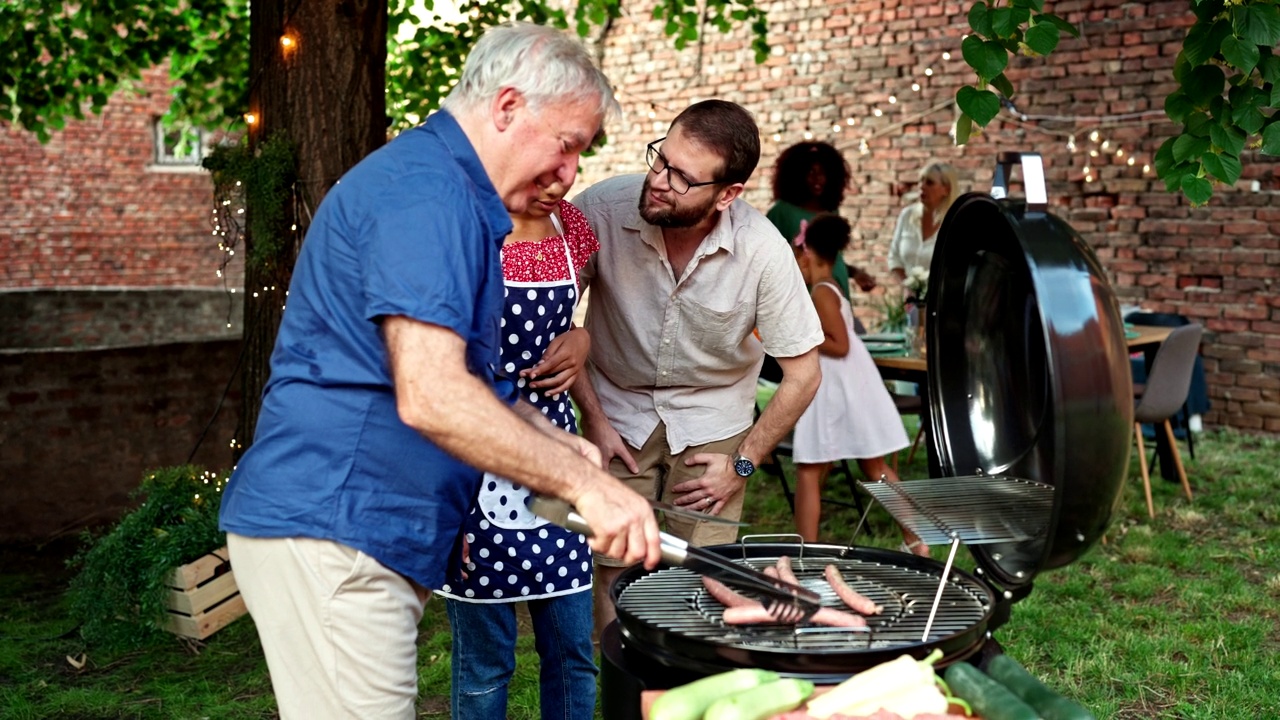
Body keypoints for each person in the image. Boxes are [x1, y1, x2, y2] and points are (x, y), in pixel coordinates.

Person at [217, 23, 662, 720]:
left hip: (362, 530)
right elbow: (432, 394)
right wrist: (580, 483)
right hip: (337, 525)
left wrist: (549, 443)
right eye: (568, 143)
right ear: (509, 107)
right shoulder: (429, 195)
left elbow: (452, 377)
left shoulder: (454, 194)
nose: (573, 172)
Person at [570, 100, 824, 637]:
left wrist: (743, 464)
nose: (660, 181)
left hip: (714, 427)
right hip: (616, 412)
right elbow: (548, 315)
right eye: (660, 159)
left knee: (705, 576)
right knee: (613, 565)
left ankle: (689, 684)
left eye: (683, 178)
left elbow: (804, 374)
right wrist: (592, 417)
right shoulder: (600, 210)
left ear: (727, 195)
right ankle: (624, 683)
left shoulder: (762, 251)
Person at [436, 178, 599, 720]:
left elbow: (572, 325)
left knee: (574, 653)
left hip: (556, 453)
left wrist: (582, 338)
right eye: (549, 164)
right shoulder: (464, 231)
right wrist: (447, 503)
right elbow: (438, 382)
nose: (561, 180)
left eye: (571, 163)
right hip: (474, 458)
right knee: (486, 665)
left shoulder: (571, 227)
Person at [789, 214, 928, 556]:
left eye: (796, 259)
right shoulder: (830, 288)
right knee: (874, 467)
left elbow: (840, 345)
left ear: (807, 256)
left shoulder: (821, 292)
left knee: (809, 470)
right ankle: (916, 541)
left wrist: (800, 336)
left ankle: (805, 552)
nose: (795, 266)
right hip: (848, 384)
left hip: (834, 388)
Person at [766, 141, 876, 299]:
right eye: (811, 172)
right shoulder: (782, 212)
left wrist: (856, 273)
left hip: (837, 287)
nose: (818, 179)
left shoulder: (831, 211)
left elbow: (830, 258)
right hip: (805, 295)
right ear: (796, 175)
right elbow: (771, 262)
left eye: (823, 173)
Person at [887, 161, 960, 295]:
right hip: (911, 304)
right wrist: (908, 287)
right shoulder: (907, 215)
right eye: (921, 181)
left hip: (944, 304)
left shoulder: (955, 223)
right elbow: (894, 258)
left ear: (946, 189)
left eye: (929, 183)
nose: (922, 186)